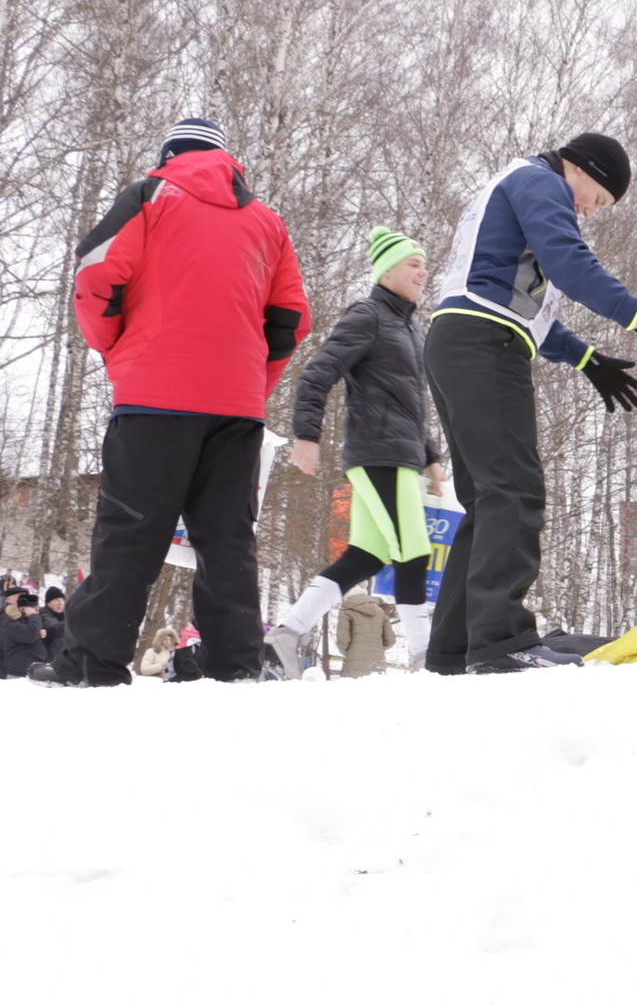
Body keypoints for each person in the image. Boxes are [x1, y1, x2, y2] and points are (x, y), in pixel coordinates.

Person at [428, 131, 637, 674]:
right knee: (513, 489)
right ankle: (500, 640)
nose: (589, 211)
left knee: (487, 499)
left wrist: (587, 359)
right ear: (581, 170)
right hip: (485, 343)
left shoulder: (516, 184)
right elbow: (569, 263)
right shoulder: (540, 181)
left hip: (460, 336)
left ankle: (453, 650)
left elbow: (520, 297)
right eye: (597, 199)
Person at [47, 117, 310, 685]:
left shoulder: (149, 196)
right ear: (228, 161)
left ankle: (92, 665)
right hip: (237, 407)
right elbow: (291, 320)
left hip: (153, 397)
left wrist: (117, 349)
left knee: (131, 532)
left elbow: (95, 272)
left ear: (169, 155)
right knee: (227, 541)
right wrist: (250, 381)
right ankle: (237, 668)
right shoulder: (267, 221)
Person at [266, 226, 446, 679]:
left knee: (367, 555)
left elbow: (413, 402)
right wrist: (307, 435)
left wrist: (430, 455)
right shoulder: (367, 316)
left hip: (401, 453)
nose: (424, 271)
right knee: (413, 549)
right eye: (413, 263)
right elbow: (317, 374)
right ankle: (425, 657)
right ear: (387, 270)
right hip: (378, 452)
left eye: (425, 264)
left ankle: (287, 633)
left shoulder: (412, 327)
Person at [336, 588, 399, 678]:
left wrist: (349, 652)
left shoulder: (346, 611)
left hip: (353, 666)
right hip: (377, 664)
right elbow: (390, 640)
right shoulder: (380, 612)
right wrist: (377, 649)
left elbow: (343, 641)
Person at [0, 588, 49, 680]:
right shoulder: (5, 618)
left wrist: (37, 633)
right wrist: (33, 629)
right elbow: (5, 642)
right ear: (8, 599)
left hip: (23, 671)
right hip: (9, 672)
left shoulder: (20, 618)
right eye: (19, 596)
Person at [38, 587, 67, 661]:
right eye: (56, 600)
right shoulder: (42, 614)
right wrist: (73, 621)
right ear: (48, 602)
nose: (60, 603)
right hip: (49, 662)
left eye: (62, 599)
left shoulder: (64, 616)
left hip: (63, 662)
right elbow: (54, 629)